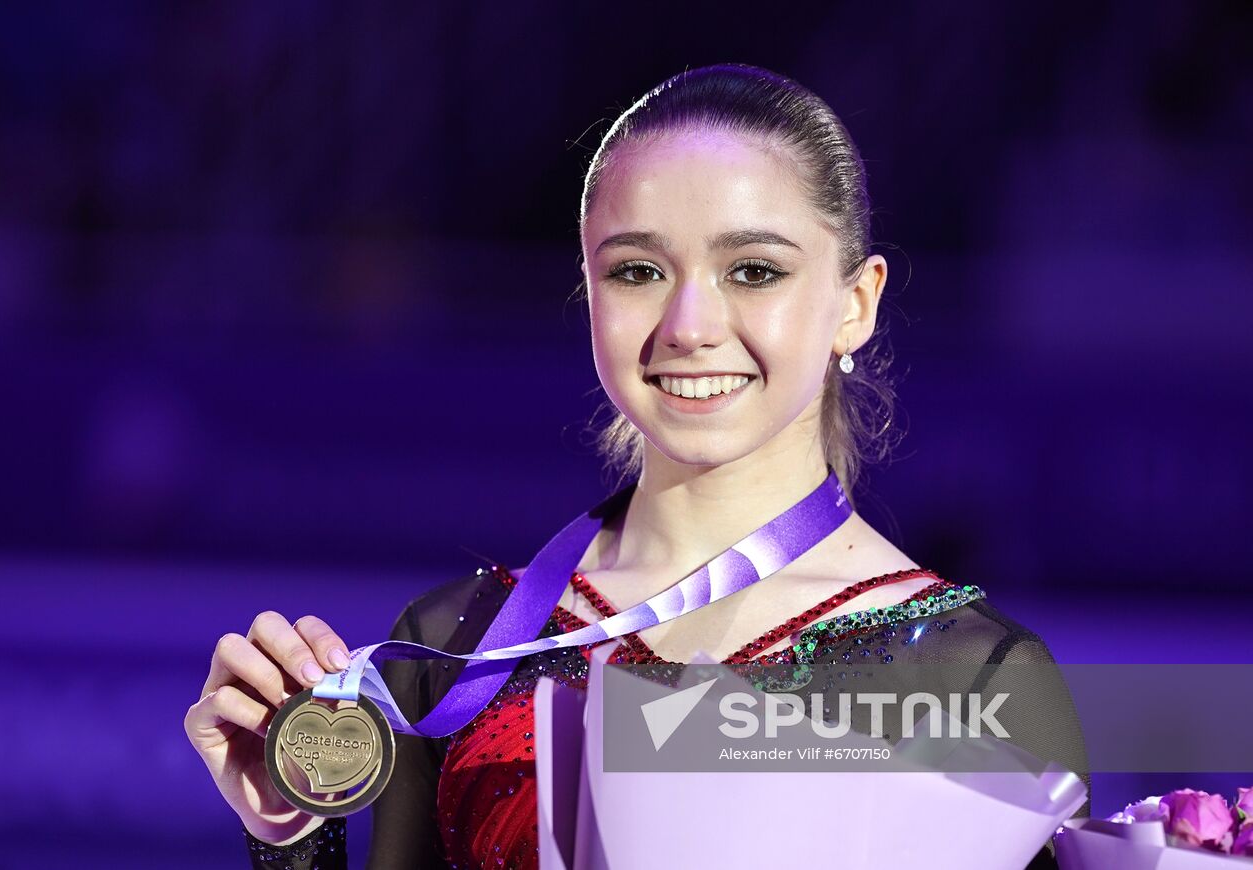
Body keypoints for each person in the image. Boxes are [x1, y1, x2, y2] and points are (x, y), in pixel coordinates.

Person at [183, 63, 1089, 869]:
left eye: (755, 271)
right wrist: (289, 838)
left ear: (856, 304)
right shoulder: (462, 643)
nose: (690, 324)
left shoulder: (975, 682)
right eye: (638, 272)